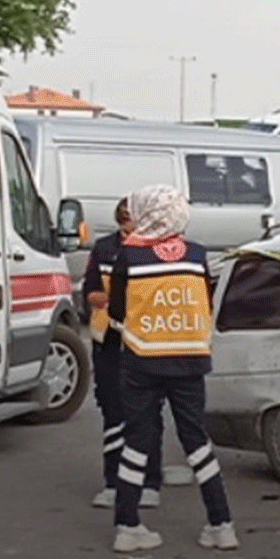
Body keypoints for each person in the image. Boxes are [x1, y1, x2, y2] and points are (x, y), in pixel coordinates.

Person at [107, 185, 236, 553]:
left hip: (141, 359)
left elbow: (116, 312)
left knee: (137, 443)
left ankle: (128, 527)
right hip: (190, 359)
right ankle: (221, 524)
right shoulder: (197, 254)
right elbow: (205, 301)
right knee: (197, 443)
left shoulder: (127, 256)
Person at [82, 198, 161, 509]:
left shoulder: (156, 250)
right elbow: (90, 294)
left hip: (147, 341)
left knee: (148, 412)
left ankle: (150, 480)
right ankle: (113, 482)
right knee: (113, 411)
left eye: (136, 228)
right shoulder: (102, 249)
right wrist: (117, 297)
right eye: (125, 229)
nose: (130, 237)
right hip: (110, 341)